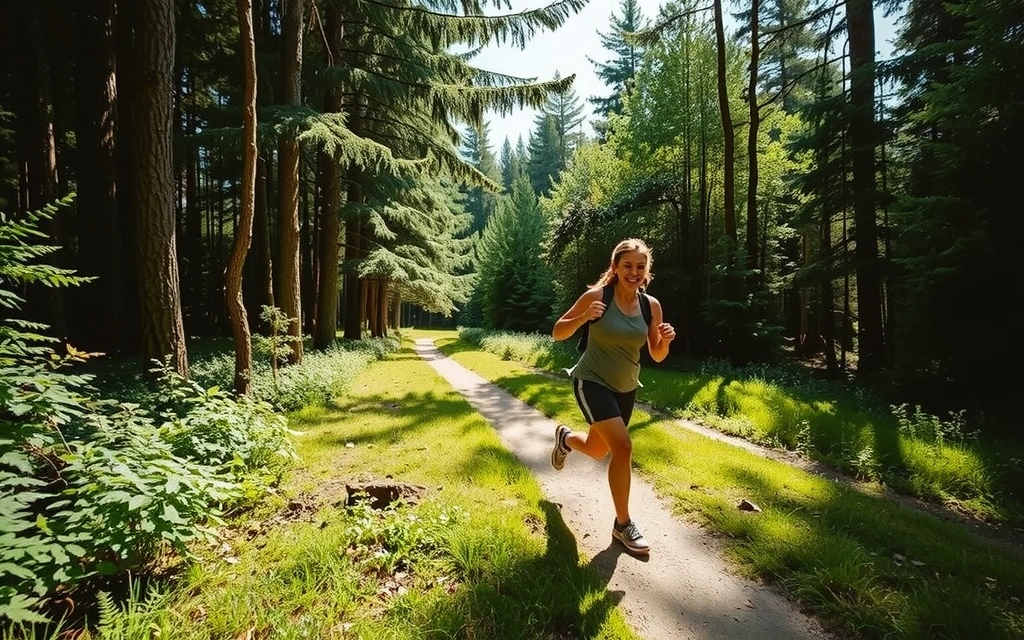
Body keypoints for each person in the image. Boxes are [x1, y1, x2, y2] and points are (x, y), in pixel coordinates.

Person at [550, 238, 676, 555]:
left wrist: (665, 341)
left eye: (640, 266)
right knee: (622, 447)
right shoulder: (598, 297)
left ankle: (565, 439)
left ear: (647, 270)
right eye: (627, 266)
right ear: (616, 268)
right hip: (591, 381)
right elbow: (558, 331)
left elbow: (657, 355)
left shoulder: (651, 306)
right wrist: (583, 318)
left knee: (596, 450)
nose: (634, 272)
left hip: (626, 387)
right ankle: (623, 525)